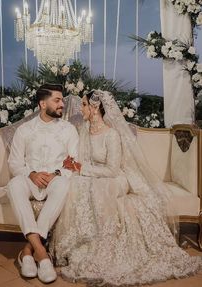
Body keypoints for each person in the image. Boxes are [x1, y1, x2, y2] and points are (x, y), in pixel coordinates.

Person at [50, 89, 202, 286]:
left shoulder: (111, 134)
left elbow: (112, 170)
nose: (81, 108)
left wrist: (82, 168)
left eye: (85, 104)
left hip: (115, 178)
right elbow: (82, 158)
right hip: (95, 175)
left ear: (95, 108)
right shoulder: (84, 130)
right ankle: (85, 240)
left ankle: (106, 244)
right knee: (76, 184)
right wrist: (74, 165)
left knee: (99, 189)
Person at [6, 83, 79, 283]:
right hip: (31, 180)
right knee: (14, 185)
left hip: (55, 180)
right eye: (56, 100)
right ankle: (42, 253)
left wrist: (57, 173)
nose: (61, 104)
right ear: (42, 103)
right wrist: (30, 174)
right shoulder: (24, 130)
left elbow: (75, 161)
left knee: (64, 185)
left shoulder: (69, 129)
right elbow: (14, 163)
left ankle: (28, 253)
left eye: (61, 100)